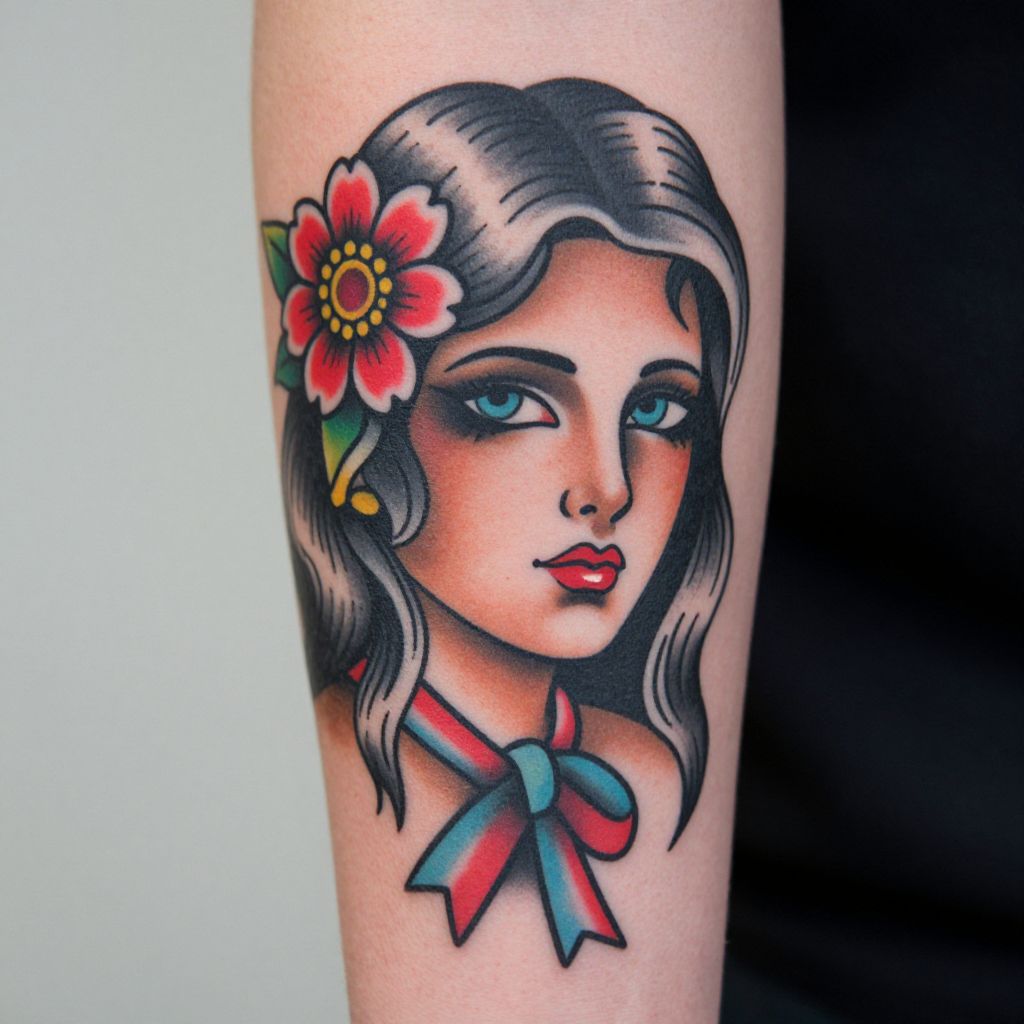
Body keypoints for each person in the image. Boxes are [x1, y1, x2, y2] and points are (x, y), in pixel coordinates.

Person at [254, 5, 783, 1020]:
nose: (608, 487)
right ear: (368, 430)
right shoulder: (381, 753)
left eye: (660, 410)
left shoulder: (644, 772)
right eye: (507, 400)